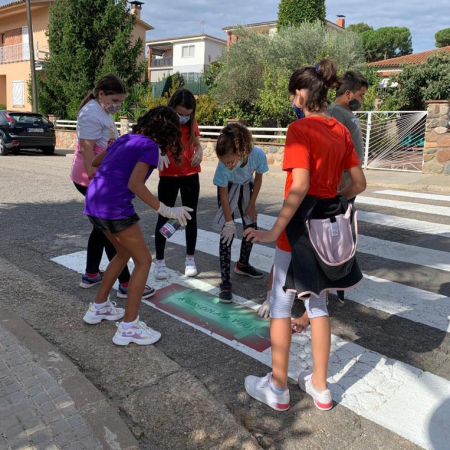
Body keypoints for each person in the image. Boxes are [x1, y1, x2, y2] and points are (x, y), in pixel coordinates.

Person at [243, 59, 366, 411]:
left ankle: (278, 388)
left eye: (292, 93)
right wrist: (333, 198)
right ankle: (321, 388)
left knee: (282, 304)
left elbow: (299, 187)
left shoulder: (299, 130)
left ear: (300, 93)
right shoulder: (339, 129)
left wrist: (271, 231)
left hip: (299, 227)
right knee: (318, 304)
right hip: (329, 225)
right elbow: (358, 183)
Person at [82, 106, 193, 346]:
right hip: (115, 207)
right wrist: (165, 209)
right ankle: (129, 327)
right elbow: (135, 184)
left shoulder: (127, 138)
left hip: (94, 202)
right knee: (144, 261)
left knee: (122, 254)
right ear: (168, 131)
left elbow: (97, 160)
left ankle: (98, 307)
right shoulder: (149, 147)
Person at [70, 74, 153, 299]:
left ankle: (90, 274)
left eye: (120, 101)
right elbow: (87, 152)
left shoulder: (101, 111)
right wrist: (97, 180)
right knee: (112, 232)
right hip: (91, 177)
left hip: (99, 176)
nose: (117, 105)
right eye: (114, 100)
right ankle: (126, 283)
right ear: (101, 94)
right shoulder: (90, 114)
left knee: (100, 228)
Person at [212, 123, 269, 302]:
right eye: (224, 162)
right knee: (226, 234)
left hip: (247, 187)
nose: (227, 166)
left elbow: (258, 180)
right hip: (228, 189)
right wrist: (229, 222)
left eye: (230, 161)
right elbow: (223, 195)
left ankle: (243, 264)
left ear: (241, 151)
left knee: (251, 226)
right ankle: (225, 281)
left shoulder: (257, 155)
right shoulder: (223, 167)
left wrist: (251, 205)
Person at [154, 89, 203, 280]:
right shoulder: (163, 122)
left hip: (190, 175)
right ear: (172, 107)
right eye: (179, 113)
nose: (182, 117)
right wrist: (157, 152)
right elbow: (152, 143)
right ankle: (159, 262)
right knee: (164, 217)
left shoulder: (191, 123)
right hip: (168, 176)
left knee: (190, 217)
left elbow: (197, 144)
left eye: (187, 115)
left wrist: (199, 152)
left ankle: (190, 259)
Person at [328, 71, 368, 302]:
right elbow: (332, 147)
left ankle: (339, 281)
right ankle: (331, 280)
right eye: (360, 95)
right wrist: (339, 178)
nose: (361, 99)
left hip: (349, 180)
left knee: (343, 232)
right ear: (348, 93)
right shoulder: (335, 112)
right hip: (341, 183)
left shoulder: (347, 112)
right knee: (335, 232)